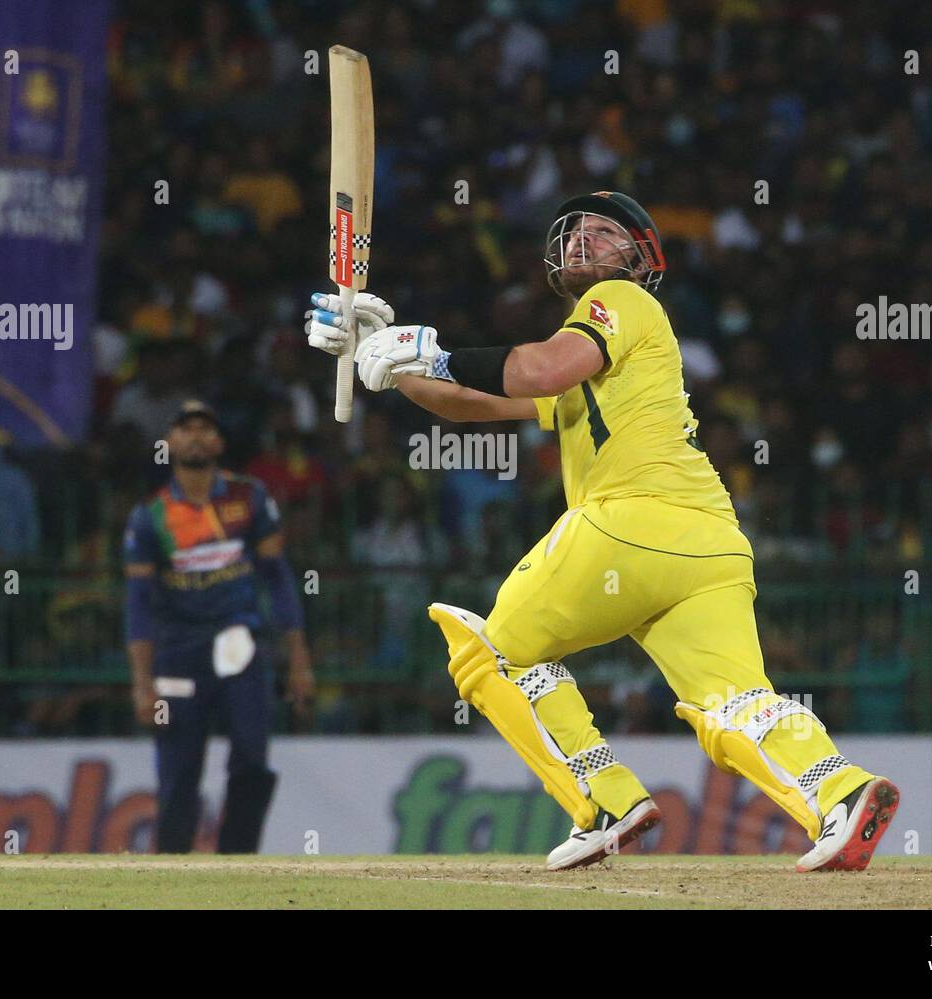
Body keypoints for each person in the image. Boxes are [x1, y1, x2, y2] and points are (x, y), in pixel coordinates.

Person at [304, 192, 899, 872]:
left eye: (605, 231)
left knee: (491, 655)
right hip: (708, 545)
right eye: (577, 228)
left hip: (633, 520)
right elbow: (470, 403)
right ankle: (842, 790)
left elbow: (537, 367)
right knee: (732, 704)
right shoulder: (599, 355)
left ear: (640, 258)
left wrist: (428, 348)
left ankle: (604, 801)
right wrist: (382, 355)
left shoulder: (620, 303)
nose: (585, 236)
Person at [124, 400, 314, 853]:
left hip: (239, 646)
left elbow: (278, 578)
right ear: (169, 443)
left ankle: (237, 862)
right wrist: (141, 684)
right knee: (178, 770)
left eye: (204, 428)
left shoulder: (249, 498)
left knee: (252, 757)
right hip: (177, 655)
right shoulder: (150, 516)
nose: (194, 436)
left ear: (219, 443)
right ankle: (171, 875)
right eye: (184, 428)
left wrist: (299, 660)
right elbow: (139, 604)